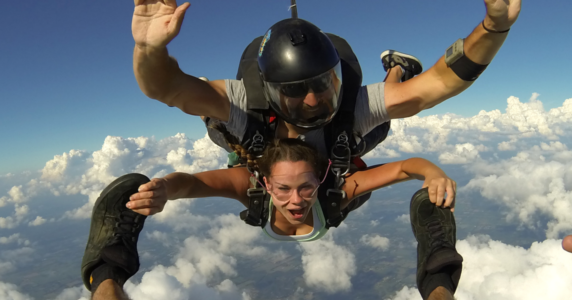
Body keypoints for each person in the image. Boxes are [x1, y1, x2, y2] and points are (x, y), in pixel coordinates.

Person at [132, 0, 521, 159]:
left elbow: (439, 85)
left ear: (337, 77)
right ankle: (397, 68)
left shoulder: (353, 107)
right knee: (220, 128)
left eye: (323, 85)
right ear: (269, 93)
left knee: (379, 118)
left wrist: (494, 27)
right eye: (295, 93)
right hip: (257, 136)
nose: (315, 101)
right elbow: (164, 88)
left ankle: (397, 66)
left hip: (343, 139)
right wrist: (150, 50)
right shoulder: (242, 103)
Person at [81, 137, 460, 300]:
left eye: (306, 188)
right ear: (265, 183)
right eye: (282, 189)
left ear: (322, 179)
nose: (295, 201)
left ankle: (104, 274)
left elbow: (405, 167)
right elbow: (193, 183)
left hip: (337, 197)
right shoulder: (251, 187)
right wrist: (166, 188)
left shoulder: (334, 192)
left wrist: (432, 173)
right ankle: (439, 276)